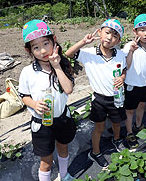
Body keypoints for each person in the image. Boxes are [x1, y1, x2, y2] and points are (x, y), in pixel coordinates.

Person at [18, 19, 76, 181]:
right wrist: (34, 104)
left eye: (46, 44)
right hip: (42, 123)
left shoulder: (63, 64)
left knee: (63, 149)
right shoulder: (28, 72)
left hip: (62, 118)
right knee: (46, 161)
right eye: (36, 47)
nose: (43, 50)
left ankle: (64, 175)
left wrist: (57, 66)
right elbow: (24, 96)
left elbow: (69, 89)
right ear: (29, 50)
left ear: (54, 41)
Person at [65, 19, 127, 168]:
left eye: (114, 36)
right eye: (107, 32)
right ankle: (95, 152)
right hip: (99, 99)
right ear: (99, 32)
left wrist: (123, 77)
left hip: (116, 96)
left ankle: (117, 139)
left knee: (117, 122)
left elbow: (124, 69)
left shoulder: (120, 54)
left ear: (118, 40)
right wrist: (83, 42)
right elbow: (68, 53)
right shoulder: (89, 53)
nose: (109, 37)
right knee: (98, 127)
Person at [122, 13, 146, 149]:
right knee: (129, 111)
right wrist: (131, 51)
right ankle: (129, 133)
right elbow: (127, 65)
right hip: (132, 85)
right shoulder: (130, 46)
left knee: (142, 106)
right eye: (142, 30)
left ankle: (138, 125)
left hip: (144, 83)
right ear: (135, 31)